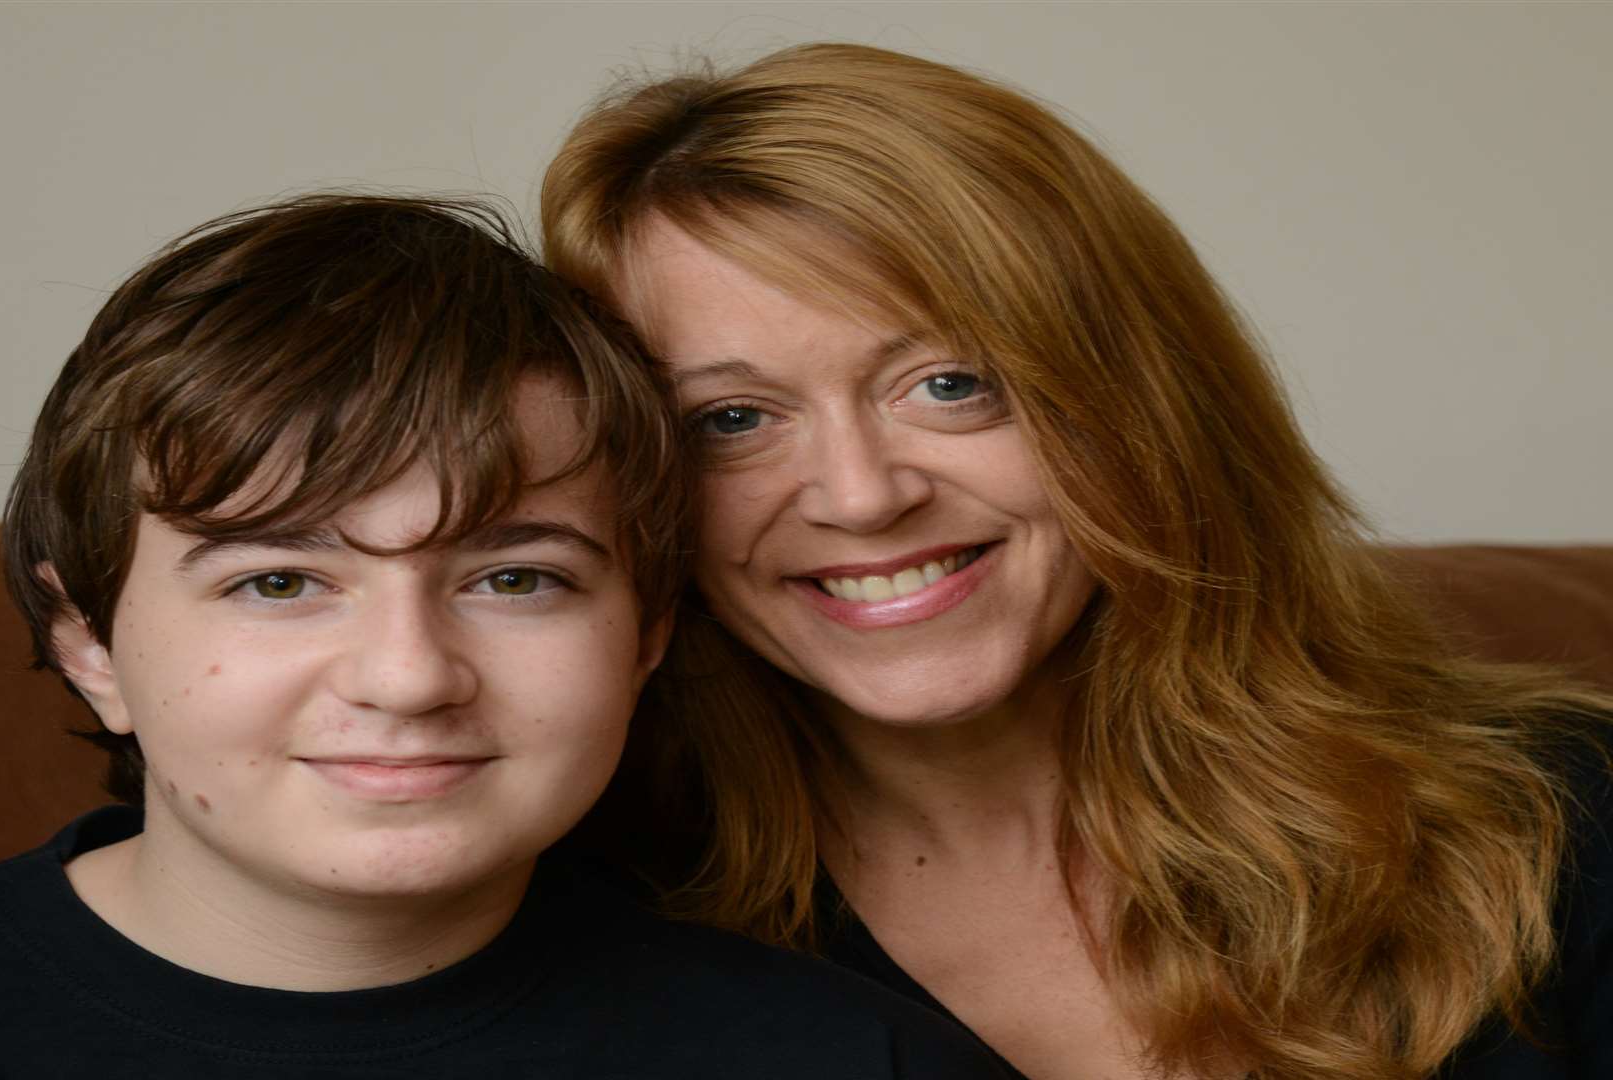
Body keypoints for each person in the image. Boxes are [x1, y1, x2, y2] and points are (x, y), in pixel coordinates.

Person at [0, 193, 1008, 1078]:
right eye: (278, 582)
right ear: (88, 641)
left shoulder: (839, 1059)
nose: (408, 675)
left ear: (649, 633)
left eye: (516, 580)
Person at [540, 42, 1613, 1080]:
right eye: (732, 418)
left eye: (950, 384)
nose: (863, 496)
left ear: (1142, 404)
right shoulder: (573, 914)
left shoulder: (1556, 819)